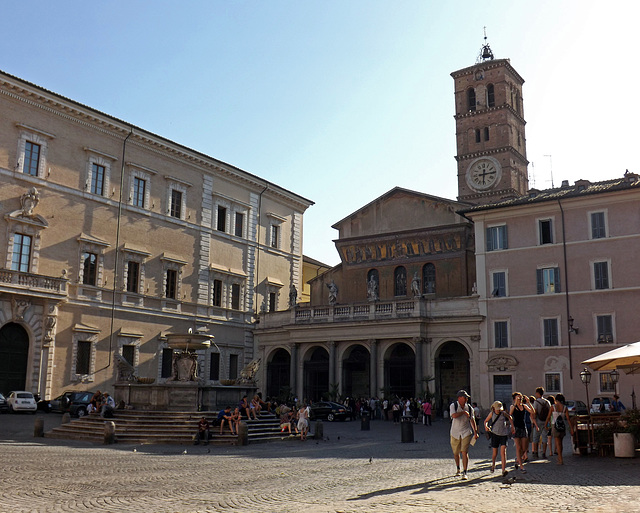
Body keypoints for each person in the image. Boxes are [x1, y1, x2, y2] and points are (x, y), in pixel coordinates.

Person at [449, 390, 478, 480]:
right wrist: (463, 413)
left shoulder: (469, 408)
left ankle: (465, 472)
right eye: (464, 398)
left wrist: (475, 432)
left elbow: (472, 420)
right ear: (459, 398)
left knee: (464, 452)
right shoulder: (453, 406)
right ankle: (458, 468)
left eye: (466, 398)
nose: (466, 399)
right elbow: (453, 415)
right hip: (455, 432)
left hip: (466, 432)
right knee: (456, 452)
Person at [484, 401, 515, 477]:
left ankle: (503, 470)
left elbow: (510, 418)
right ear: (493, 408)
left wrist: (512, 426)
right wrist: (486, 426)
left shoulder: (503, 413)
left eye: (499, 409)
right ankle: (493, 464)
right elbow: (486, 421)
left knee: (503, 452)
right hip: (495, 435)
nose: (498, 410)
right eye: (497, 409)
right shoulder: (492, 413)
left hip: (503, 435)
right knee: (495, 453)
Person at [509, 392, 535, 473]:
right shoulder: (513, 406)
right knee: (518, 447)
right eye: (518, 398)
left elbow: (532, 412)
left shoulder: (524, 406)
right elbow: (510, 414)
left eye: (520, 398)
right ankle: (521, 466)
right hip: (516, 428)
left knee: (524, 448)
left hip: (523, 428)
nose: (520, 399)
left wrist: (529, 402)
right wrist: (515, 403)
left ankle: (518, 459)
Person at [546, 393, 574, 465]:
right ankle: (559, 457)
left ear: (556, 400)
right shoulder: (565, 408)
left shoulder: (553, 407)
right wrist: (571, 428)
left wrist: (546, 424)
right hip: (562, 426)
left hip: (555, 426)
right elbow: (568, 419)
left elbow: (548, 417)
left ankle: (560, 459)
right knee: (560, 443)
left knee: (557, 443)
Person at [532, 387, 551, 458]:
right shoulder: (547, 402)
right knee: (544, 437)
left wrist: (533, 420)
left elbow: (535, 412)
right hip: (545, 421)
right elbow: (549, 412)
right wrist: (548, 421)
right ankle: (544, 453)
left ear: (537, 393)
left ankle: (536, 452)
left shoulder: (536, 402)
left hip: (538, 421)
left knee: (536, 437)